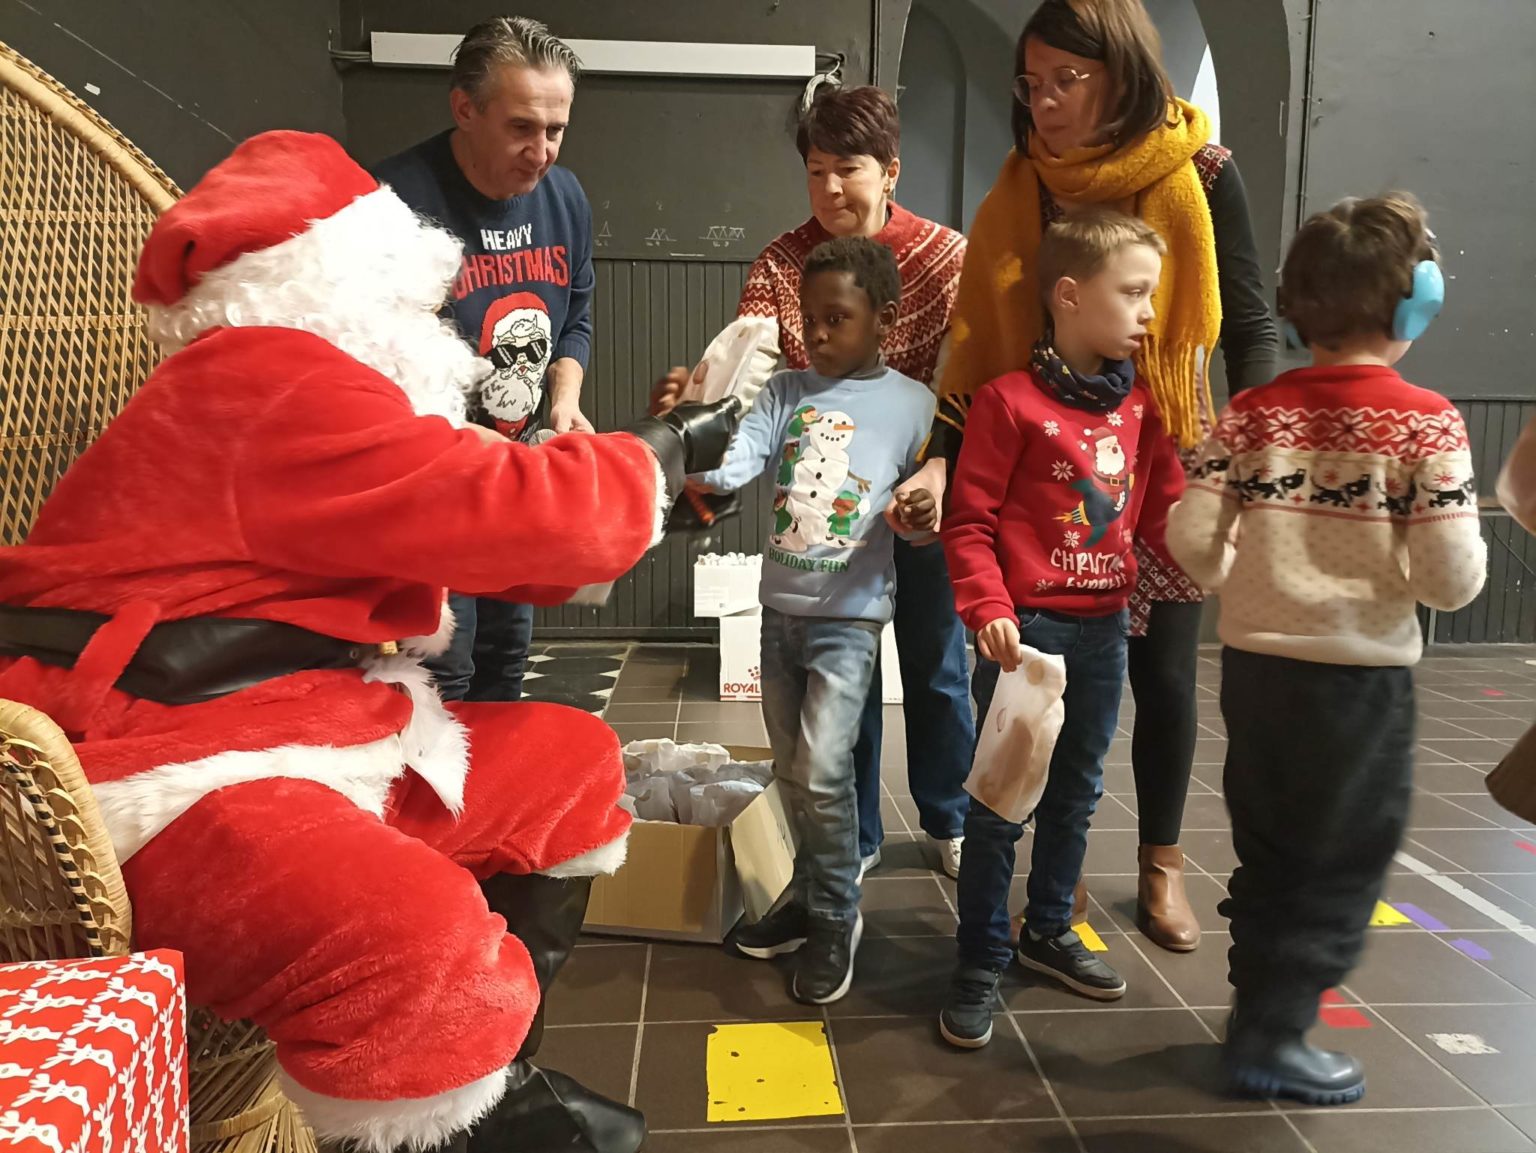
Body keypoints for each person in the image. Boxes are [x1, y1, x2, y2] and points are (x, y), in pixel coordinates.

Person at [0, 130, 740, 1153]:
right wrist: (661, 451)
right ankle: (449, 1117)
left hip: (305, 721)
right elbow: (522, 508)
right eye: (414, 298)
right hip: (173, 765)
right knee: (411, 937)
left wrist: (667, 501)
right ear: (353, 279)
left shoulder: (298, 384)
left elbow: (499, 539)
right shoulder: (276, 380)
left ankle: (494, 1073)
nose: (431, 323)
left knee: (568, 763)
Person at [899, 0, 1278, 951]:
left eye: (1067, 80)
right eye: (1031, 84)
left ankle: (1159, 863)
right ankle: (1038, 876)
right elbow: (979, 335)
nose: (1045, 103)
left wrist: (1251, 452)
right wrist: (942, 456)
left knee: (1163, 673)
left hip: (1166, 446)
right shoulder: (1026, 180)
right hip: (1045, 457)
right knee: (1037, 680)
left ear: (1122, 73)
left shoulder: (1201, 171)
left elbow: (1249, 320)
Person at [1167, 193, 1487, 1103]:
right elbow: (1451, 580)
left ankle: (1256, 1005)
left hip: (1256, 670)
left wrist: (1246, 574)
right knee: (1343, 855)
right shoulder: (1427, 423)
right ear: (1413, 303)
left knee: (1270, 843)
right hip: (1360, 681)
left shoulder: (1251, 413)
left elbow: (1191, 542)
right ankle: (1275, 1036)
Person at [651, 86, 975, 882]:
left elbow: (967, 381)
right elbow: (750, 374)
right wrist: (696, 411)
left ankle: (949, 817)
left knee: (937, 664)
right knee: (842, 681)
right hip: (827, 507)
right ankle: (855, 835)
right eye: (816, 171)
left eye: (848, 169)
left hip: (924, 490)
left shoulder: (946, 258)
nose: (830, 189)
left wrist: (938, 470)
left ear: (890, 171)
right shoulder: (780, 263)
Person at [936, 210, 1183, 1047]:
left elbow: (1167, 516)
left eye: (1153, 294)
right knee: (1001, 803)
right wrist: (989, 608)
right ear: (1070, 296)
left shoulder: (1145, 407)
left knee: (1077, 794)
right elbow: (969, 521)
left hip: (1105, 630)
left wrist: (1227, 538)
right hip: (1027, 638)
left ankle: (1046, 927)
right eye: (1134, 292)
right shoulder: (1007, 403)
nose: (1150, 311)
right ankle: (980, 953)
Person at [694, 238, 938, 1004]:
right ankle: (806, 890)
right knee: (792, 769)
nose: (819, 334)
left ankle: (837, 914)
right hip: (779, 615)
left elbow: (932, 515)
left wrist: (923, 512)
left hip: (849, 621)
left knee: (827, 770)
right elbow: (731, 468)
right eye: (810, 319)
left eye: (838, 318)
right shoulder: (784, 392)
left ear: (885, 319)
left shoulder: (914, 405)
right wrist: (686, 422)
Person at [373, 16, 596, 705]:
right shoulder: (393, 204)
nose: (541, 152)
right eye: (522, 128)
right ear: (465, 109)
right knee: (443, 676)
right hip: (430, 490)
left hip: (514, 478)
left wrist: (564, 401)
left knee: (505, 662)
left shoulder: (565, 198)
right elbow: (370, 364)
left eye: (556, 130)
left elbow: (575, 318)